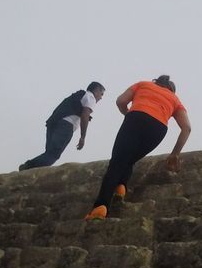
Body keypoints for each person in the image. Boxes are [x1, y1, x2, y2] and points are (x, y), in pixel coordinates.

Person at [85, 75, 191, 220]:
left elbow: (120, 101)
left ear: (157, 82)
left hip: (136, 118)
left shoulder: (143, 84)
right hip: (158, 129)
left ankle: (100, 207)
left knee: (117, 161)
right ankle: (121, 186)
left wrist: (128, 114)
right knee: (129, 158)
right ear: (172, 90)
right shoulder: (175, 99)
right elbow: (187, 128)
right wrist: (175, 154)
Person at [20, 82, 105, 170]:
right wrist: (82, 137)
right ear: (96, 91)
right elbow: (85, 115)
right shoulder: (90, 97)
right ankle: (28, 166)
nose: (101, 97)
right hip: (66, 125)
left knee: (49, 154)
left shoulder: (79, 96)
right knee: (53, 155)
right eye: (101, 94)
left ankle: (28, 168)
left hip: (53, 123)